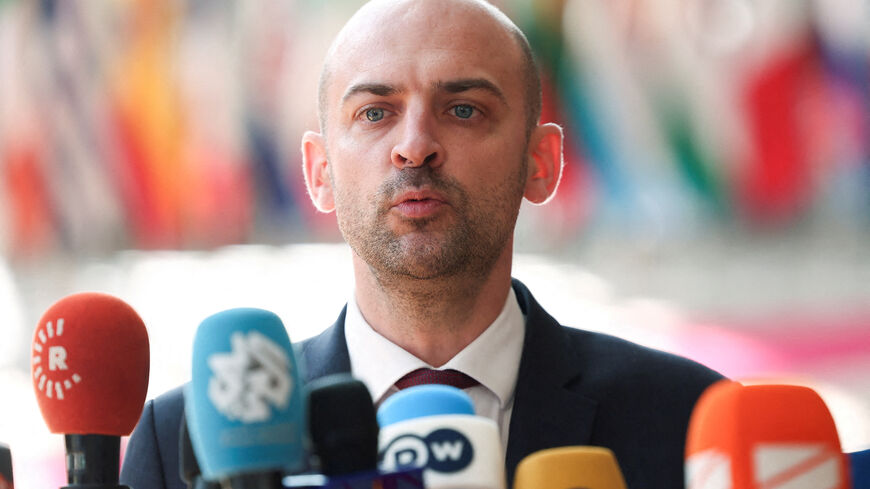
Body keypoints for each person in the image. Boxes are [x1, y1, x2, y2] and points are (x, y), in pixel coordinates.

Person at [120, 0, 724, 488]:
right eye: (376, 113)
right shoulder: (180, 440)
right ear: (319, 172)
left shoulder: (690, 421)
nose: (415, 145)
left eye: (462, 109)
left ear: (541, 163)